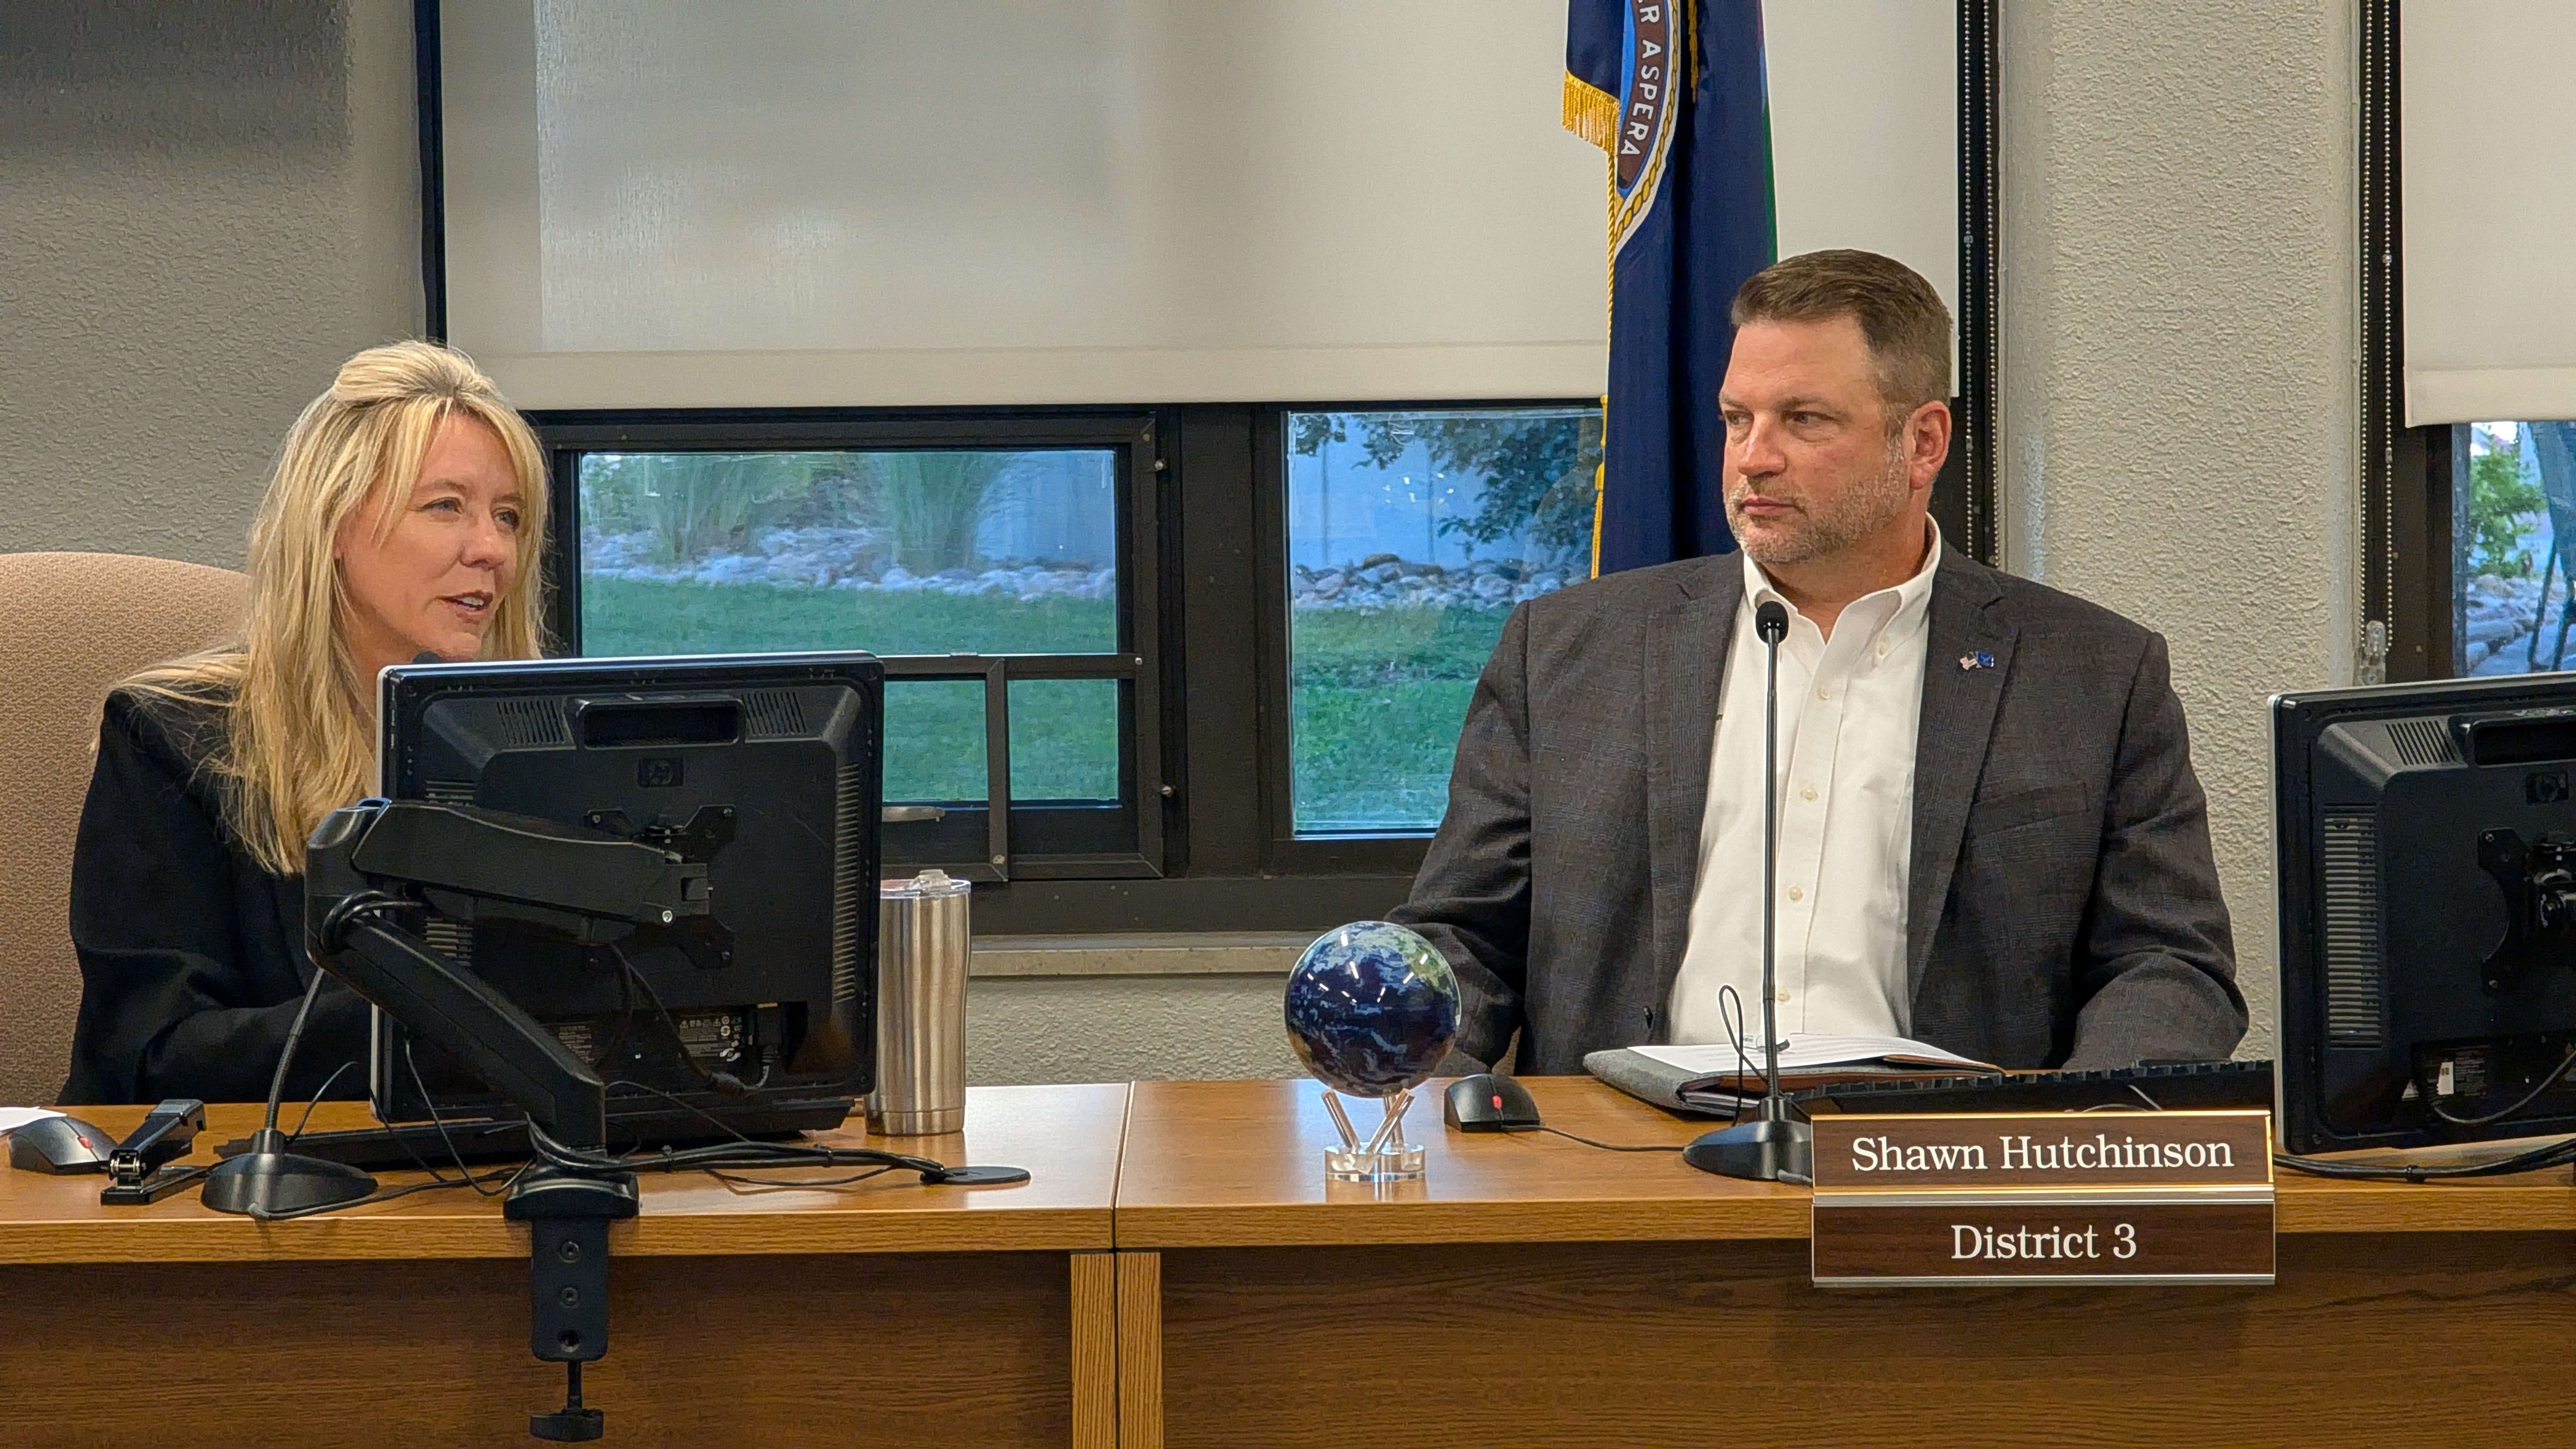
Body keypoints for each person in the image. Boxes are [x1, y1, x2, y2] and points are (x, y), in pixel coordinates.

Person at [1392, 249, 2244, 1074]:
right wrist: (1429, 1105)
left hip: (1938, 1174)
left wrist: (2080, 1140)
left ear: (1923, 442)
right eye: (1738, 419)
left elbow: (2167, 962)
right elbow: (1460, 937)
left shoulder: (2092, 672)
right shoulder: (1569, 649)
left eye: (1805, 420)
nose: (1754, 456)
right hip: (1625, 1163)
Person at [59, 341, 551, 1105]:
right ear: (333, 525)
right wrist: (436, 1006)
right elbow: (149, 1057)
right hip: (254, 1194)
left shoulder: (538, 748)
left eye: (509, 516)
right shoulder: (174, 738)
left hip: (497, 1170)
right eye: (445, 506)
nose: (491, 550)